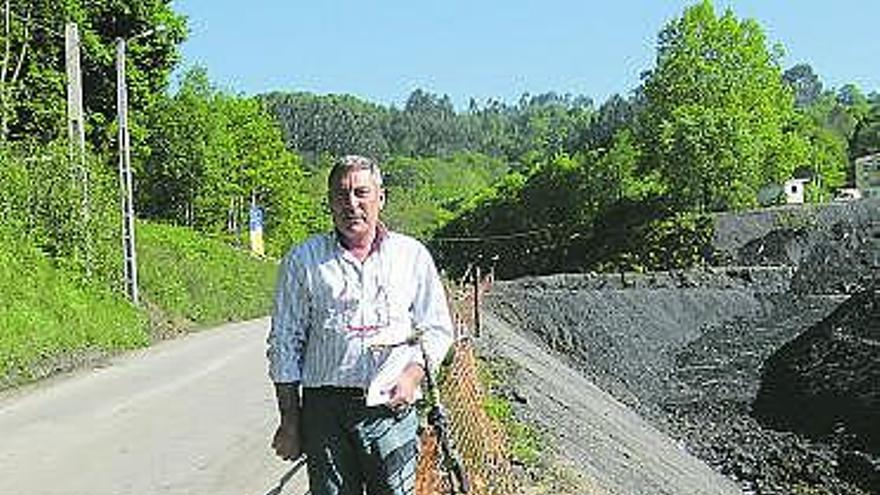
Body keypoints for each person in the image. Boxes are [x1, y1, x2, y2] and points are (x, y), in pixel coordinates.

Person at [267, 154, 455, 495]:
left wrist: (412, 377)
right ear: (329, 202)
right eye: (341, 195)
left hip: (391, 409)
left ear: (380, 198)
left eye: (361, 193)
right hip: (325, 412)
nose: (351, 204)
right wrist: (290, 422)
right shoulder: (304, 260)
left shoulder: (410, 256)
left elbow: (437, 327)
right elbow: (284, 342)